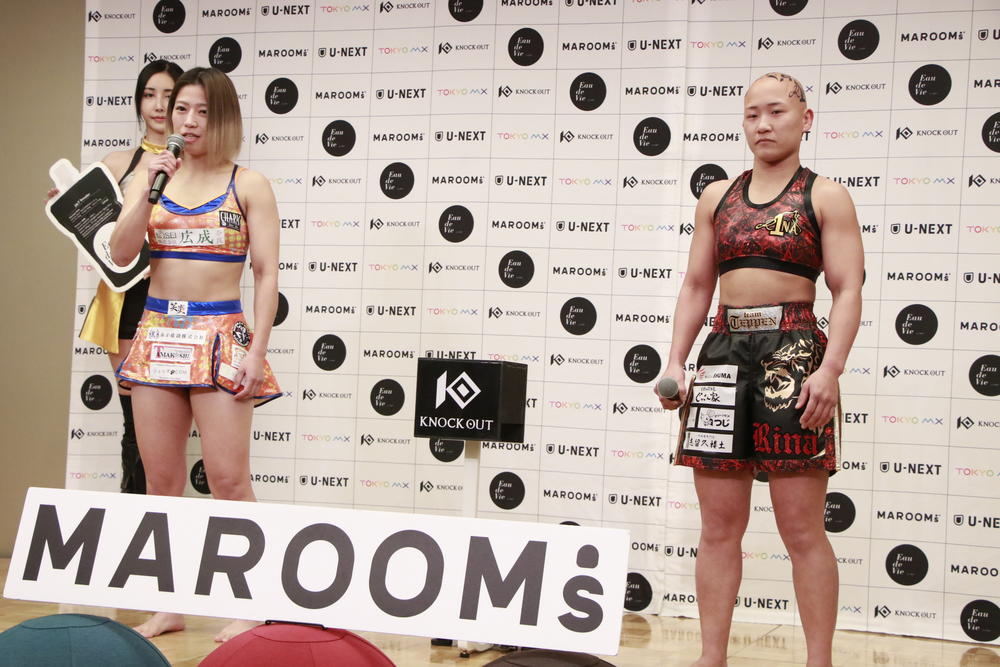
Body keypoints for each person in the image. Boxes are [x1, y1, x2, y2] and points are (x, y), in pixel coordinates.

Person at [656, 72, 864, 667]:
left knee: (802, 531)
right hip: (723, 354)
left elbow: (848, 289)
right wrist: (676, 360)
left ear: (806, 119)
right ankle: (711, 658)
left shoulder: (826, 196)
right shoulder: (716, 196)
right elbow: (697, 285)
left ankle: (818, 661)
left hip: (794, 352)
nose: (763, 124)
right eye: (752, 114)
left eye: (776, 111)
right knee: (718, 528)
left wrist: (831, 369)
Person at [110, 67, 282, 642]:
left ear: (224, 116)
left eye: (202, 111)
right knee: (161, 482)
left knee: (229, 479)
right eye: (181, 108)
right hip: (158, 333)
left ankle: (255, 602)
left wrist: (257, 351)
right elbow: (121, 253)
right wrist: (146, 190)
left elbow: (266, 274)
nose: (187, 121)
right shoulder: (152, 177)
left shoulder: (248, 184)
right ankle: (169, 605)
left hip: (220, 335)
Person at [47, 59, 183, 494]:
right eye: (149, 95)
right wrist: (71, 204)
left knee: (172, 419)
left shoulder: (200, 166)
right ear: (138, 102)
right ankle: (134, 511)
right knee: (134, 419)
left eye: (168, 96)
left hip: (180, 301)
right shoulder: (116, 164)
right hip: (125, 300)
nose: (158, 105)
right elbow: (99, 231)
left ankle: (167, 514)